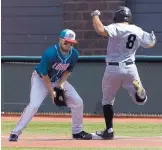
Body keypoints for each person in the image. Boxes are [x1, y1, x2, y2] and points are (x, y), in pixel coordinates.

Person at [9, 29, 92, 141]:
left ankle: (77, 132)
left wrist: (60, 85)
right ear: (60, 40)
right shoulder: (50, 53)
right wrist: (51, 91)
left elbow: (68, 70)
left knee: (78, 102)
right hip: (41, 79)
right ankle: (15, 132)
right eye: (66, 41)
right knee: (34, 105)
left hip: (58, 79)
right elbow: (44, 74)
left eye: (71, 42)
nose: (68, 44)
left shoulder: (74, 54)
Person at [91, 6, 156, 139]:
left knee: (107, 101)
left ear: (117, 17)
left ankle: (109, 130)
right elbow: (151, 43)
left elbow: (100, 29)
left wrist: (95, 15)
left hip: (113, 68)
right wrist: (152, 37)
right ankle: (141, 94)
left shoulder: (115, 27)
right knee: (140, 101)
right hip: (130, 68)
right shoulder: (137, 29)